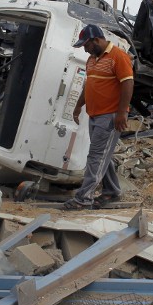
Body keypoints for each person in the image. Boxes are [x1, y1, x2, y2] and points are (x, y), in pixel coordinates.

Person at [63, 24, 134, 210]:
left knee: (95, 157)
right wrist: (78, 106)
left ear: (96, 40)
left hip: (110, 116)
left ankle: (83, 198)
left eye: (86, 45)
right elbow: (89, 84)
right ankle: (112, 191)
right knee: (103, 155)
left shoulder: (118, 56)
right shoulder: (92, 60)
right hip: (95, 114)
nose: (85, 50)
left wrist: (121, 112)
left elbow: (128, 84)